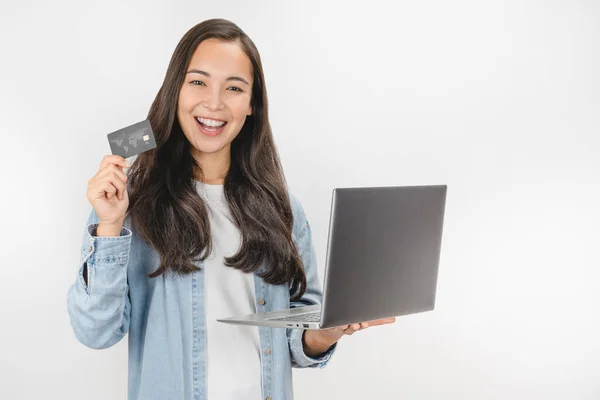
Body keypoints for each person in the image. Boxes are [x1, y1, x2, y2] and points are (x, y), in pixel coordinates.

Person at [66, 18, 395, 400]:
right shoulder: (128, 206)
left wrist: (328, 331)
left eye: (234, 87)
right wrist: (109, 225)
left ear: (252, 103)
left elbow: (297, 335)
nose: (215, 103)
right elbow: (95, 333)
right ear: (176, 90)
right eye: (198, 81)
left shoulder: (283, 209)